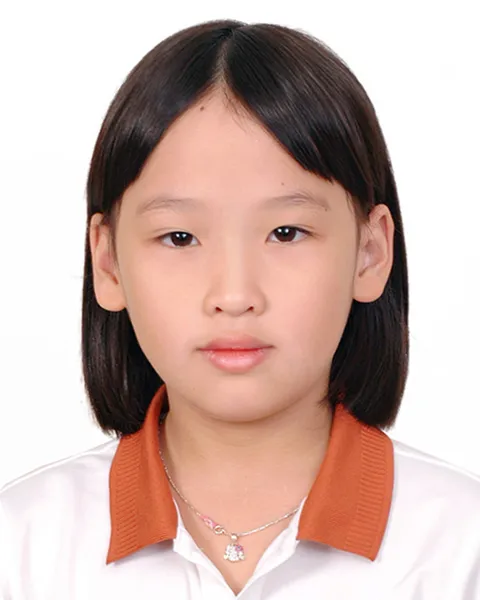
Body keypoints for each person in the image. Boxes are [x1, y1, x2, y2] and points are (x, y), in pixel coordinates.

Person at [1, 18, 479, 599]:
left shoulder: (460, 549)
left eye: (286, 232)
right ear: (108, 264)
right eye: (179, 237)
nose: (233, 295)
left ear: (370, 253)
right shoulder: (22, 548)